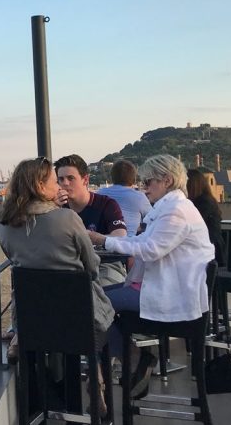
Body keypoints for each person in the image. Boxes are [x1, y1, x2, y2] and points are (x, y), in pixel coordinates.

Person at [88, 155, 215, 399]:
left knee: (94, 302)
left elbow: (150, 249)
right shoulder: (172, 208)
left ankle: (124, 363)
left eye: (149, 182)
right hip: (165, 288)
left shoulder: (176, 212)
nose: (144, 188)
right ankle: (127, 363)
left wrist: (103, 240)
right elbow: (142, 241)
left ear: (167, 180)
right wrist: (106, 240)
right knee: (97, 300)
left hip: (171, 297)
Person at [0, 157, 115, 411]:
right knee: (91, 323)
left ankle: (56, 401)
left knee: (58, 329)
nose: (59, 186)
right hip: (79, 323)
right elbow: (92, 268)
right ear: (40, 186)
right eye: (54, 181)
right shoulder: (68, 219)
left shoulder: (5, 227)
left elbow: (18, 264)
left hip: (34, 324)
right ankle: (95, 386)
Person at [55, 154, 128, 286]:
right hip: (70, 265)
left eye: (71, 178)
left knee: (98, 291)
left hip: (106, 264)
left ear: (85, 180)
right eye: (61, 179)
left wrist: (91, 238)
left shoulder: (106, 204)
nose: (65, 183)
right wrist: (52, 210)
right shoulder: (58, 208)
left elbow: (120, 236)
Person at [97, 160, 152, 236]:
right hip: (128, 243)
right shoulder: (140, 197)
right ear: (134, 178)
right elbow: (153, 219)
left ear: (112, 177)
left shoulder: (100, 193)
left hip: (103, 242)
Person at [187, 168, 224, 264]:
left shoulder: (204, 202)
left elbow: (190, 224)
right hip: (206, 246)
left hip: (210, 248)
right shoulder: (204, 200)